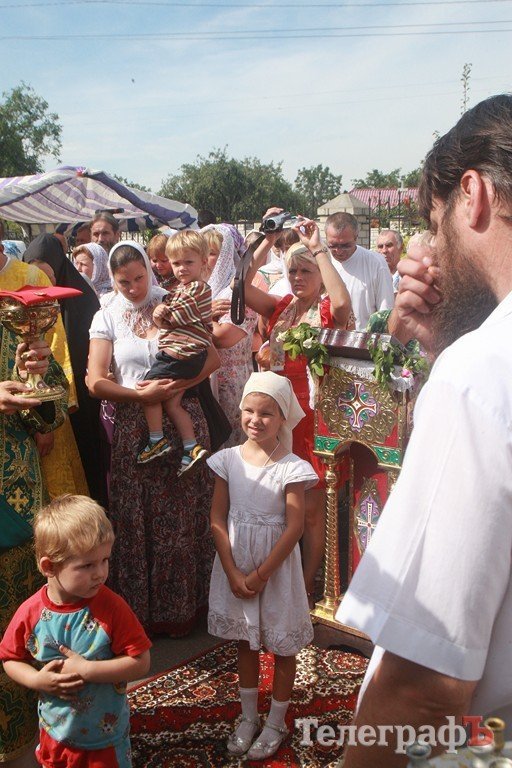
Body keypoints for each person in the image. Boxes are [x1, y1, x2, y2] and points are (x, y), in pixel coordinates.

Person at [337, 94, 512, 766]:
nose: (431, 250)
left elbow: (423, 691)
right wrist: (447, 348)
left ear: (471, 196)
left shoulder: (482, 373)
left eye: (433, 223)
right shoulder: (475, 362)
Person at [87, 240, 218, 635]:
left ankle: (186, 613)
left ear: (149, 269)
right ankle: (139, 615)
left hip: (181, 419)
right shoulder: (105, 316)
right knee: (136, 517)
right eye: (124, 281)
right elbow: (94, 380)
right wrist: (139, 395)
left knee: (181, 515)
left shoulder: (174, 299)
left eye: (139, 278)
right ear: (113, 279)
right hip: (134, 427)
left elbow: (211, 357)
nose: (133, 287)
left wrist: (174, 388)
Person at [242, 214, 352, 603]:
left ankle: (307, 585)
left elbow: (342, 304)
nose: (298, 277)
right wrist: (266, 239)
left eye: (305, 271)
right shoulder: (282, 306)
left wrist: (318, 248)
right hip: (278, 418)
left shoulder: (324, 310)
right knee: (278, 506)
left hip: (314, 421)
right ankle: (282, 576)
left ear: (320, 273)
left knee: (309, 513)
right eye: (292, 270)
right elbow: (241, 287)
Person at [208, 371, 317, 760]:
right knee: (245, 640)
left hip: (275, 569)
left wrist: (260, 574)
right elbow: (218, 519)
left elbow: (294, 526)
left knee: (283, 646)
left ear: (283, 418)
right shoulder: (227, 460)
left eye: (267, 413)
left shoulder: (291, 467)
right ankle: (249, 717)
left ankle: (276, 722)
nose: (255, 420)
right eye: (249, 411)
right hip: (235, 565)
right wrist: (234, 572)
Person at [0, 494, 151, 768]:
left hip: (105, 742)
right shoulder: (31, 612)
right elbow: (11, 658)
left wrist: (87, 670)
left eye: (105, 560)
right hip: (54, 737)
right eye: (87, 565)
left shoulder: (112, 608)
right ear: (49, 567)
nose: (100, 573)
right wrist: (36, 681)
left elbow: (141, 662)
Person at [23, 234, 106, 507]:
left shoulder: (82, 302)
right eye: (33, 273)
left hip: (81, 407)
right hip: (34, 409)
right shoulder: (23, 306)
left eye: (47, 273)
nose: (42, 282)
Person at [138, 230, 211, 471]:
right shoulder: (182, 288)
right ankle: (191, 447)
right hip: (185, 357)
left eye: (188, 262)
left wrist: (160, 314)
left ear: (203, 261)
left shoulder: (198, 288)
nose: (181, 269)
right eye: (176, 263)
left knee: (149, 392)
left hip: (179, 355)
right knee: (171, 405)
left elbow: (175, 318)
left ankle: (156, 440)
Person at [202, 224, 256, 446]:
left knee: (229, 445)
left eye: (212, 253)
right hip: (203, 379)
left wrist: (198, 316)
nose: (206, 260)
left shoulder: (237, 292)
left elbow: (223, 337)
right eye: (202, 253)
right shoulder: (201, 289)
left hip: (230, 382)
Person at [325, 211, 394, 330]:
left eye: (345, 245)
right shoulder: (322, 261)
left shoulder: (375, 263)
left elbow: (385, 312)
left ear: (356, 237)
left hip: (363, 342)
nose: (339, 251)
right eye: (333, 245)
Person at [376, 228, 403, 292]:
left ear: (401, 248)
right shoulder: (372, 276)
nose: (384, 251)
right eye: (380, 246)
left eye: (389, 245)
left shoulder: (407, 276)